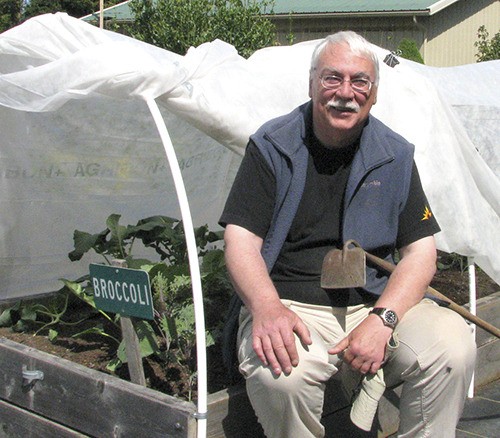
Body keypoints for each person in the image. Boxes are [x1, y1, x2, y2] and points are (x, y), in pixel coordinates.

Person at [219, 31, 476, 438]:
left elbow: (422, 254)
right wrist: (266, 308)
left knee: (452, 348)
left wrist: (384, 318)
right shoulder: (273, 146)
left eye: (360, 81)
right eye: (331, 78)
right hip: (292, 304)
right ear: (311, 84)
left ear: (374, 93)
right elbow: (240, 241)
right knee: (283, 376)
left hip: (373, 303)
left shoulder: (394, 154)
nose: (345, 93)